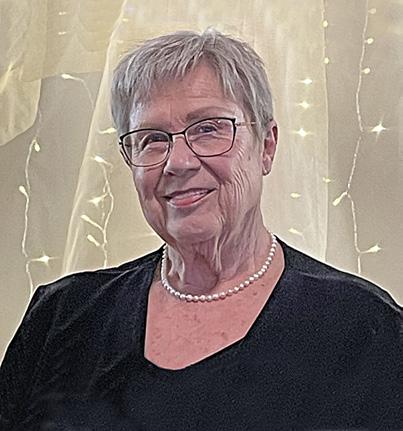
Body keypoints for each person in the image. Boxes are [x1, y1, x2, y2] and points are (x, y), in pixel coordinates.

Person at [0, 29, 402, 431]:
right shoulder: (62, 317)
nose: (178, 162)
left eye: (208, 129)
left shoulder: (365, 329)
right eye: (152, 139)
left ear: (266, 145)